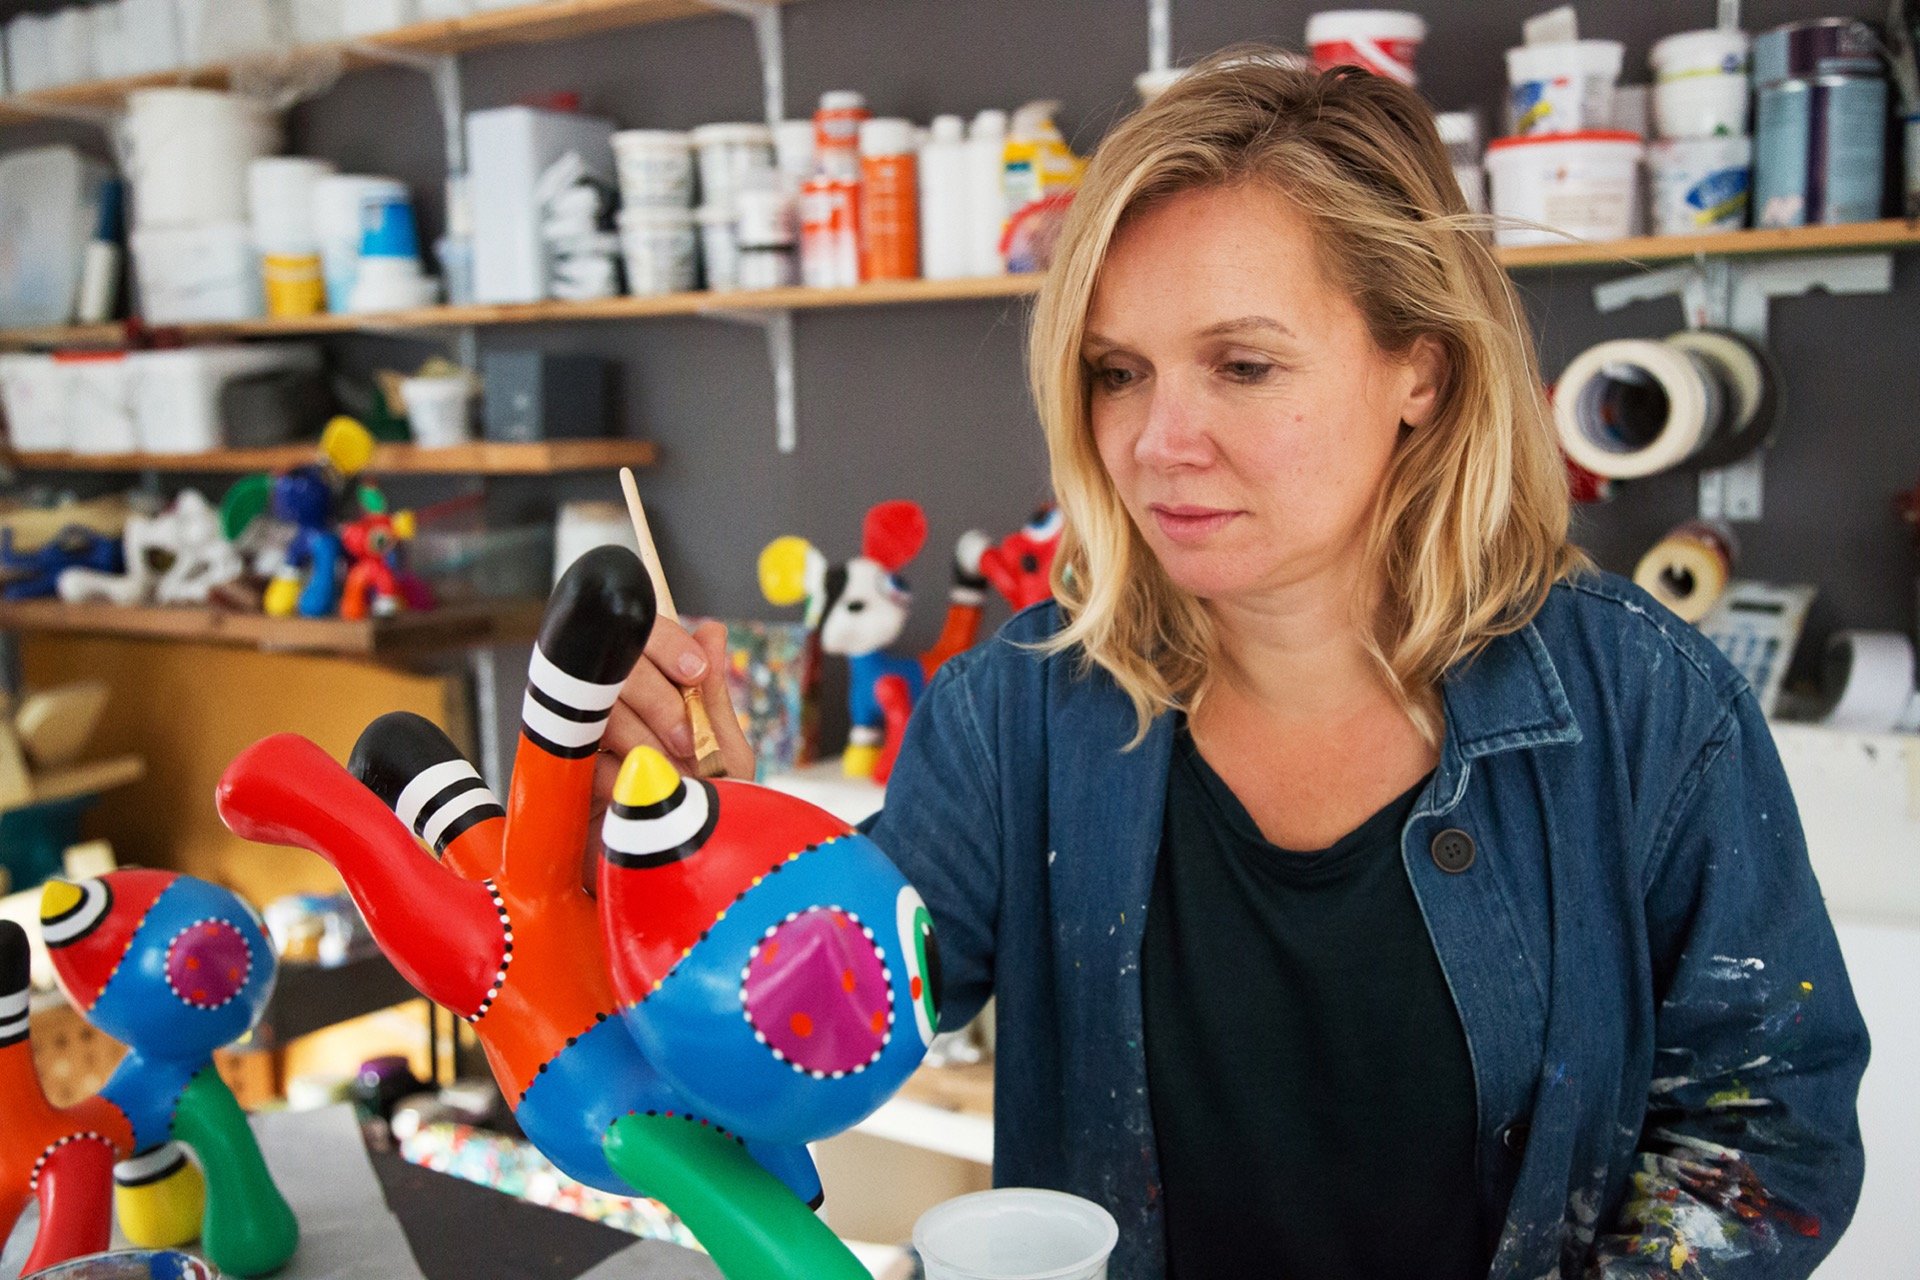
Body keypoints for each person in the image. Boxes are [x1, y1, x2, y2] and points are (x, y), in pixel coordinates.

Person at [601, 49, 1868, 1280]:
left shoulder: (1645, 703)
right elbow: (802, 1030)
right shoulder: (1017, 720)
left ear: (1420, 370)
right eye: (1118, 372)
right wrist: (697, 864)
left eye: (1243, 365)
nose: (1158, 440)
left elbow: (1771, 1127)